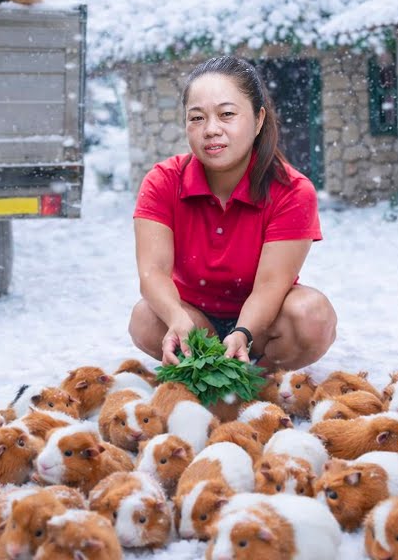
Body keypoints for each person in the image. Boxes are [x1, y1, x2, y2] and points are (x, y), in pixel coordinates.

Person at [128, 56, 337, 371]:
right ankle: (212, 370)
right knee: (144, 318)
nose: (211, 130)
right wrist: (177, 318)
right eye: (197, 118)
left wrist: (243, 331)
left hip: (265, 325)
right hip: (194, 319)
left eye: (226, 115)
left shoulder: (293, 190)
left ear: (258, 119)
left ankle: (259, 378)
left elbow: (270, 284)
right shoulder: (163, 180)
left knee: (312, 316)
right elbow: (153, 273)